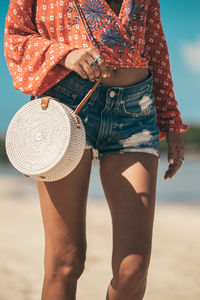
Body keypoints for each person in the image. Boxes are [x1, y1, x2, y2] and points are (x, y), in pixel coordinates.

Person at [4, 0, 189, 299]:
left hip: (136, 111)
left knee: (134, 270)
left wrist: (170, 118)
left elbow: (155, 47)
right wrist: (67, 54)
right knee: (66, 261)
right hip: (66, 106)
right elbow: (16, 36)